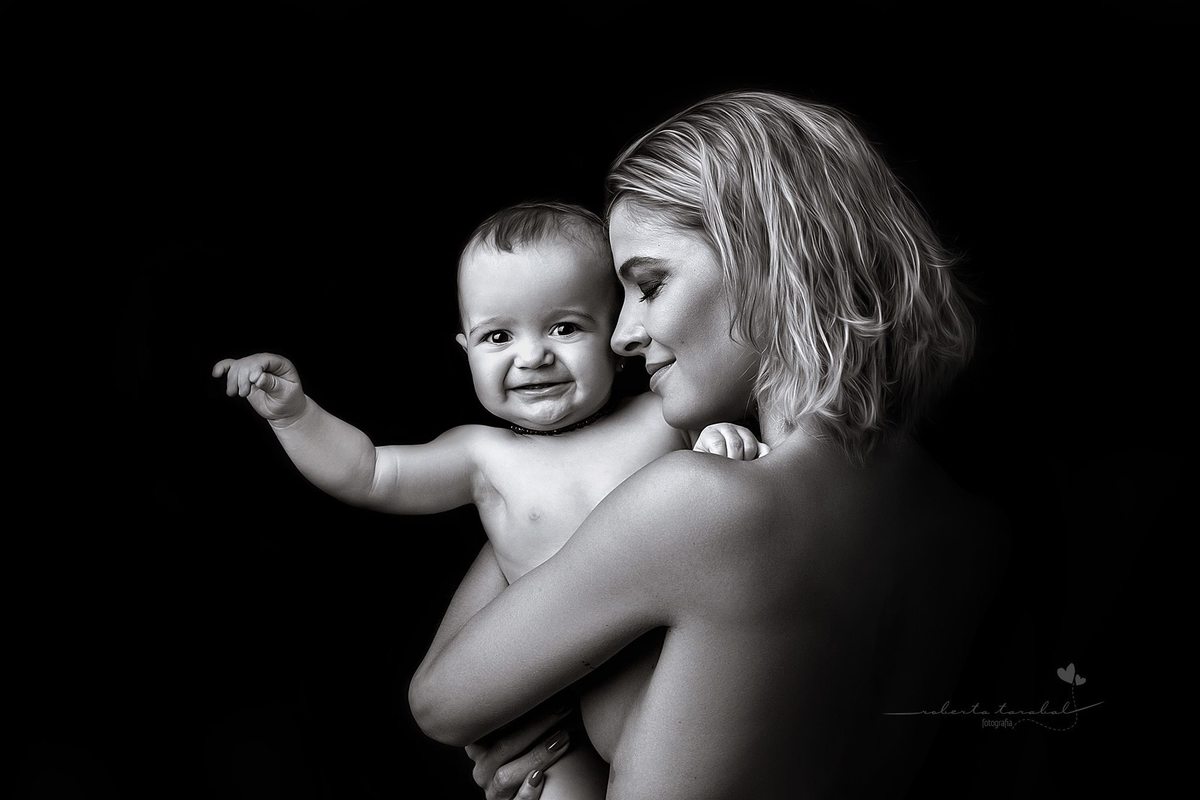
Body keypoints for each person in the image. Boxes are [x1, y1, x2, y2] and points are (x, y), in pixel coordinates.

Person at [407, 91, 1010, 799]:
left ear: (768, 261)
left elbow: (441, 702)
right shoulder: (975, 531)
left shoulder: (698, 503)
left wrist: (525, 488)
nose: (622, 336)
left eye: (650, 285)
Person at [212, 202, 768, 799]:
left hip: (693, 697)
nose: (532, 356)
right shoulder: (484, 456)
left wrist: (724, 441)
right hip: (562, 726)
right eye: (498, 336)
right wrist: (296, 417)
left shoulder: (662, 417)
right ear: (466, 350)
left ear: (615, 333)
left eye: (565, 327)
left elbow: (729, 479)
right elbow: (369, 472)